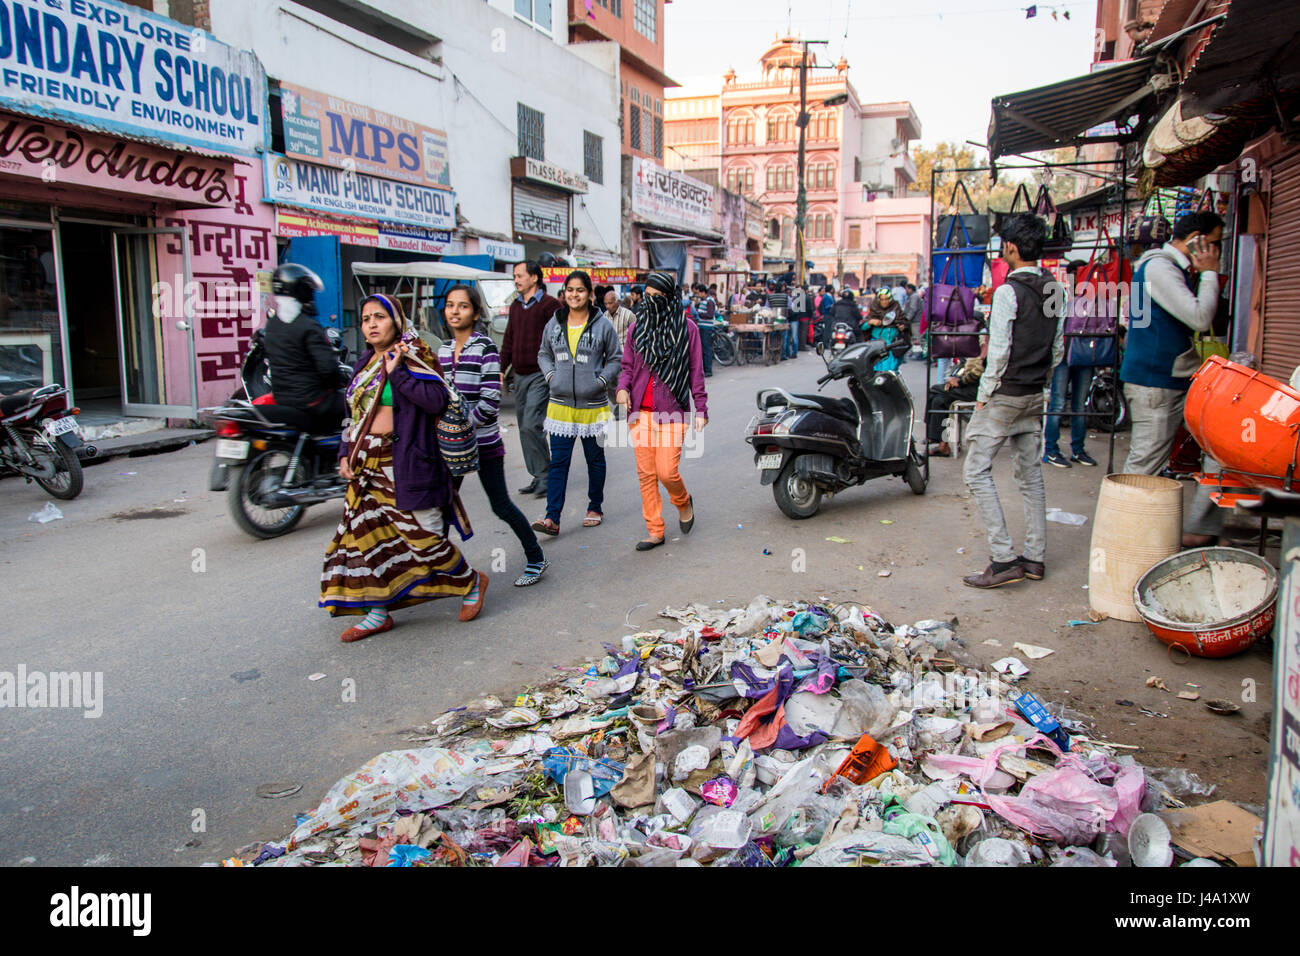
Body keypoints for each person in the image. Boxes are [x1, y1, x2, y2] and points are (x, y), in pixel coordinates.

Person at [320, 294, 487, 642]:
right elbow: (353, 417)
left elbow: (436, 400)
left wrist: (396, 374)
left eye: (380, 317)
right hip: (366, 462)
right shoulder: (363, 364)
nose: (372, 324)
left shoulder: (414, 355)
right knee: (368, 540)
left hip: (410, 461)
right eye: (366, 319)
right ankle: (377, 611)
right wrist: (343, 453)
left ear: (396, 321)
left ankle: (470, 581)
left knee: (423, 535)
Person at [961, 213, 1064, 589]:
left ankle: (1003, 558)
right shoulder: (1055, 289)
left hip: (1005, 396)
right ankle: (1034, 558)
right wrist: (1041, 385)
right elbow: (1057, 348)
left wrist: (984, 397)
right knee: (1031, 475)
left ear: (1011, 249)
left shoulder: (1007, 292)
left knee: (975, 471)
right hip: (1035, 394)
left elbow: (999, 353)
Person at [438, 285, 548, 587]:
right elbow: (439, 399)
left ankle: (536, 557)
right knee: (443, 504)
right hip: (451, 447)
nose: (455, 311)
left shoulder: (484, 347)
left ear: (475, 312)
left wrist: (463, 427)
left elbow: (490, 399)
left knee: (501, 505)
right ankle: (435, 566)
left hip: (483, 444)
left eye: (462, 306)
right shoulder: (443, 352)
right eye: (450, 305)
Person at [1120, 211, 1224, 475]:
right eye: (1215, 243)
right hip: (1156, 382)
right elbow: (1200, 318)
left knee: (1219, 448)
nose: (1217, 251)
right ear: (1195, 240)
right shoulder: (1160, 268)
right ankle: (1126, 516)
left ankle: (1205, 515)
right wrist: (1210, 273)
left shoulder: (1166, 267)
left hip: (1172, 378)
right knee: (1143, 468)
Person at [616, 271, 708, 551]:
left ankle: (683, 501)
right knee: (646, 475)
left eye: (658, 298)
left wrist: (701, 408)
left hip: (672, 408)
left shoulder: (687, 328)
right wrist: (622, 388)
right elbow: (628, 366)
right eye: (647, 297)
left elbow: (695, 371)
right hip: (639, 412)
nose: (651, 302)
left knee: (667, 472)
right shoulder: (637, 328)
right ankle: (655, 530)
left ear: (670, 298)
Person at [532, 270, 622, 536]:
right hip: (560, 405)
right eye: (570, 290)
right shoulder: (554, 323)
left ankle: (595, 506)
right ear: (564, 293)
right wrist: (551, 376)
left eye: (580, 290)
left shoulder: (602, 324)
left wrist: (601, 382)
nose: (574, 295)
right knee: (558, 462)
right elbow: (543, 353)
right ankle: (552, 518)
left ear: (590, 294)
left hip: (592, 405)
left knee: (595, 459)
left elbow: (616, 358)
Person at [261, 263, 347, 431]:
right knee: (354, 406)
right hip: (311, 401)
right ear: (302, 291)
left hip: (282, 398)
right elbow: (328, 369)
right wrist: (338, 382)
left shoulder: (272, 325)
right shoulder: (308, 326)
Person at [500, 260, 561, 497]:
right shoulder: (515, 306)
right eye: (514, 276)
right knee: (524, 429)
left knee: (531, 424)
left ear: (534, 277)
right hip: (519, 374)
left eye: (520, 275)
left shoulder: (550, 305)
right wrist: (500, 368)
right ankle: (538, 476)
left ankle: (546, 476)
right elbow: (508, 339)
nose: (516, 280)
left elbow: (559, 338)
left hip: (540, 374)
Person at [1042, 261, 1098, 468]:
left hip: (1084, 356)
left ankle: (1078, 449)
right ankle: (1051, 450)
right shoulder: (1062, 297)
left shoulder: (1093, 299)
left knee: (1079, 405)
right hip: (1064, 356)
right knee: (1057, 403)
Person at [925, 337, 987, 456]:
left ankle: (933, 436)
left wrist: (960, 382)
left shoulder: (984, 341)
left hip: (977, 388)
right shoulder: (978, 340)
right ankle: (942, 444)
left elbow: (977, 372)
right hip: (970, 384)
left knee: (934, 390)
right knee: (940, 400)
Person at [863, 288, 909, 371]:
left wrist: (902, 327)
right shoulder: (874, 311)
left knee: (891, 371)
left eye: (887, 299)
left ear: (890, 299)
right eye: (882, 299)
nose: (885, 302)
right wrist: (870, 322)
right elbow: (863, 327)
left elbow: (905, 323)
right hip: (877, 347)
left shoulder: (896, 309)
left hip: (892, 346)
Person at [692, 282, 716, 378]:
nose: (697, 295)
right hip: (702, 327)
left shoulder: (710, 301)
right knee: (702, 349)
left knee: (706, 349)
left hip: (707, 328)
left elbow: (710, 315)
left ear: (703, 292)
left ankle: (708, 370)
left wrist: (698, 313)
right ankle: (703, 369)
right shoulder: (703, 301)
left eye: (698, 293)